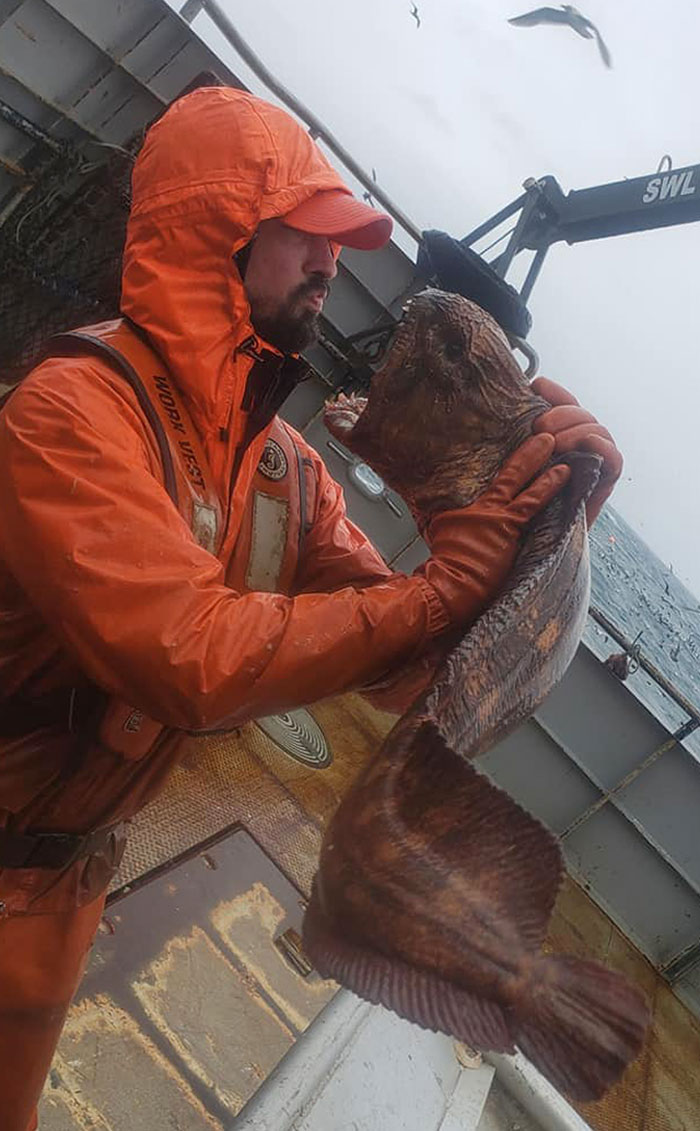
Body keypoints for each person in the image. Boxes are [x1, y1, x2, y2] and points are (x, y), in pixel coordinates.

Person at [0, 87, 622, 1130]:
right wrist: (439, 586)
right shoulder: (70, 412)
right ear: (215, 232)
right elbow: (188, 660)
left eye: (337, 241)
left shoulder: (283, 469)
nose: (333, 265)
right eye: (304, 234)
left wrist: (519, 532)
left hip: (68, 886)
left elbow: (404, 676)